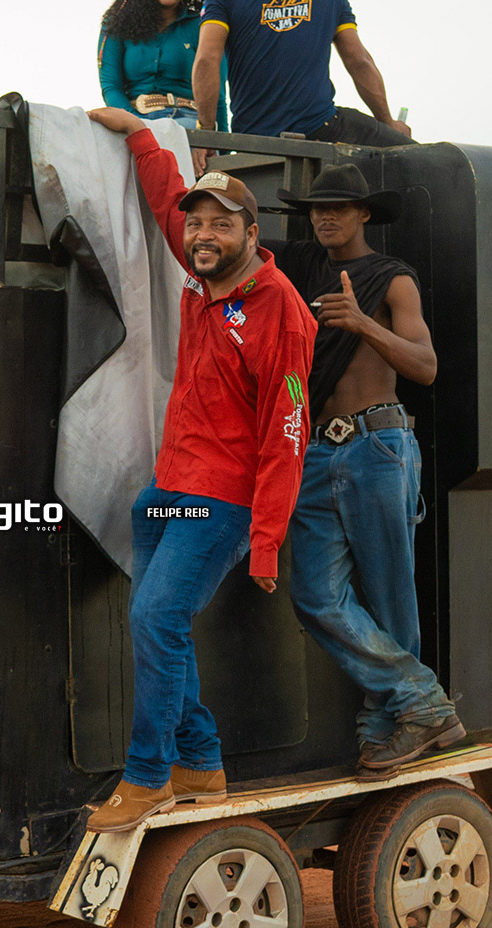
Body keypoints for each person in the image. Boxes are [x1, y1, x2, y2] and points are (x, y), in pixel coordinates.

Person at [82, 106, 316, 832]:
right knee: (158, 625)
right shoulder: (201, 274)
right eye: (199, 224)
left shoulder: (280, 311)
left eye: (221, 225)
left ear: (252, 233)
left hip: (222, 502)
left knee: (157, 617)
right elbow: (164, 205)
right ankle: (200, 761)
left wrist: (267, 539)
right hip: (169, 490)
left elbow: (288, 432)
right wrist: (139, 136)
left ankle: (148, 776)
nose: (203, 235)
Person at [271, 164, 463, 773]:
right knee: (314, 595)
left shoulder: (392, 278)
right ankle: (420, 700)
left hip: (377, 445)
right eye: (317, 207)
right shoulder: (299, 265)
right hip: (313, 451)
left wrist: (360, 322)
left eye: (339, 207)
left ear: (364, 214)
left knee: (389, 596)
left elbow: (426, 366)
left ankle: (392, 724)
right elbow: (230, 240)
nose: (325, 216)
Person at [185, 0, 414, 176]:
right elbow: (359, 61)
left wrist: (206, 132)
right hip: (323, 129)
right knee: (418, 157)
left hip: (254, 139)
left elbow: (207, 59)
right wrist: (388, 122)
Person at [96, 0, 227, 130]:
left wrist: (223, 144)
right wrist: (136, 125)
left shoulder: (203, 26)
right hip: (132, 118)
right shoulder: (116, 21)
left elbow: (217, 96)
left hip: (190, 123)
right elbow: (110, 86)